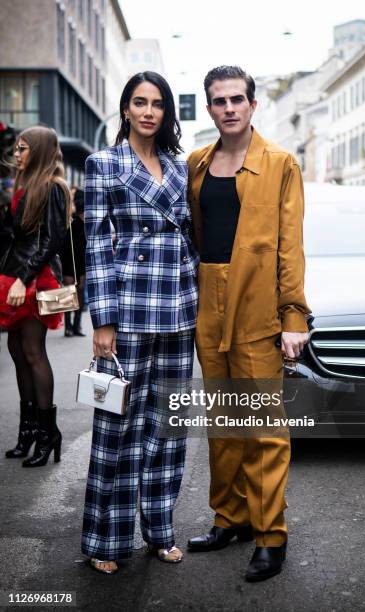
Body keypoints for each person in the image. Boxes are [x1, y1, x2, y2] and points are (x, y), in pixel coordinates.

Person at [186, 66, 311, 582]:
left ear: (253, 105)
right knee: (223, 422)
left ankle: (270, 533)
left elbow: (289, 247)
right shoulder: (196, 163)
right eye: (219, 101)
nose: (229, 108)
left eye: (238, 98)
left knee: (263, 427)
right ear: (210, 109)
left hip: (258, 305)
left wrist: (293, 315)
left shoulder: (279, 163)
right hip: (207, 302)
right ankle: (230, 517)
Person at [81, 71, 198, 574]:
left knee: (169, 428)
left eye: (157, 104)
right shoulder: (102, 164)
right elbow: (94, 247)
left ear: (167, 112)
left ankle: (160, 529)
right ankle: (105, 539)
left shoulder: (180, 167)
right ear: (125, 109)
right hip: (127, 313)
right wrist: (102, 319)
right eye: (139, 102)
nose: (149, 111)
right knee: (118, 428)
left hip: (178, 311)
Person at [0, 126, 70, 467]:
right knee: (17, 351)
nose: (17, 154)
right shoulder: (23, 183)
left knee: (33, 352)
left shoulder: (53, 187)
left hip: (34, 278)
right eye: (16, 148)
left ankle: (47, 433)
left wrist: (22, 279)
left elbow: (52, 240)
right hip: (15, 274)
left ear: (39, 151)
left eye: (24, 149)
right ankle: (27, 433)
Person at [61, 187, 86, 337]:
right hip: (68, 261)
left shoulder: (86, 225)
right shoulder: (71, 223)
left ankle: (77, 325)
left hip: (81, 262)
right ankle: (68, 326)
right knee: (69, 293)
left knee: (80, 294)